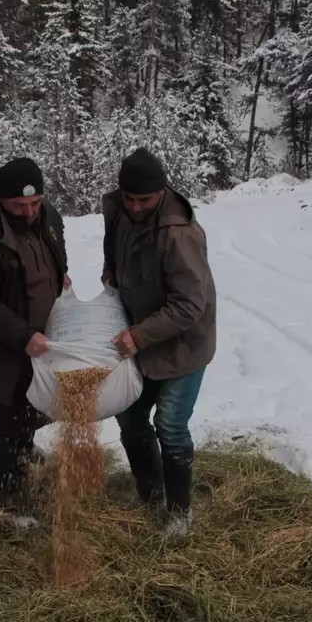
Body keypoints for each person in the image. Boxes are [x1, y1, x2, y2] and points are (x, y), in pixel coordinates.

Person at [102, 147, 216, 537]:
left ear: (161, 190)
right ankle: (150, 494)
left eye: (144, 200)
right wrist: (111, 273)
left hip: (184, 344)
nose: (135, 206)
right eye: (129, 198)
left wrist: (137, 335)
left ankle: (180, 513)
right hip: (144, 340)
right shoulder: (120, 210)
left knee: (169, 424)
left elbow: (190, 306)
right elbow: (113, 248)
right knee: (131, 418)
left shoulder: (179, 234)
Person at [0, 157, 70, 513]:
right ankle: (12, 497)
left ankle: (24, 448)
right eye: (20, 205)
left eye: (35, 202)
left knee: (37, 403)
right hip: (2, 346)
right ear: (2, 201)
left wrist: (61, 274)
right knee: (7, 417)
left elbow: (56, 250)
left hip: (43, 340)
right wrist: (23, 336)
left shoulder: (48, 215)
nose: (29, 212)